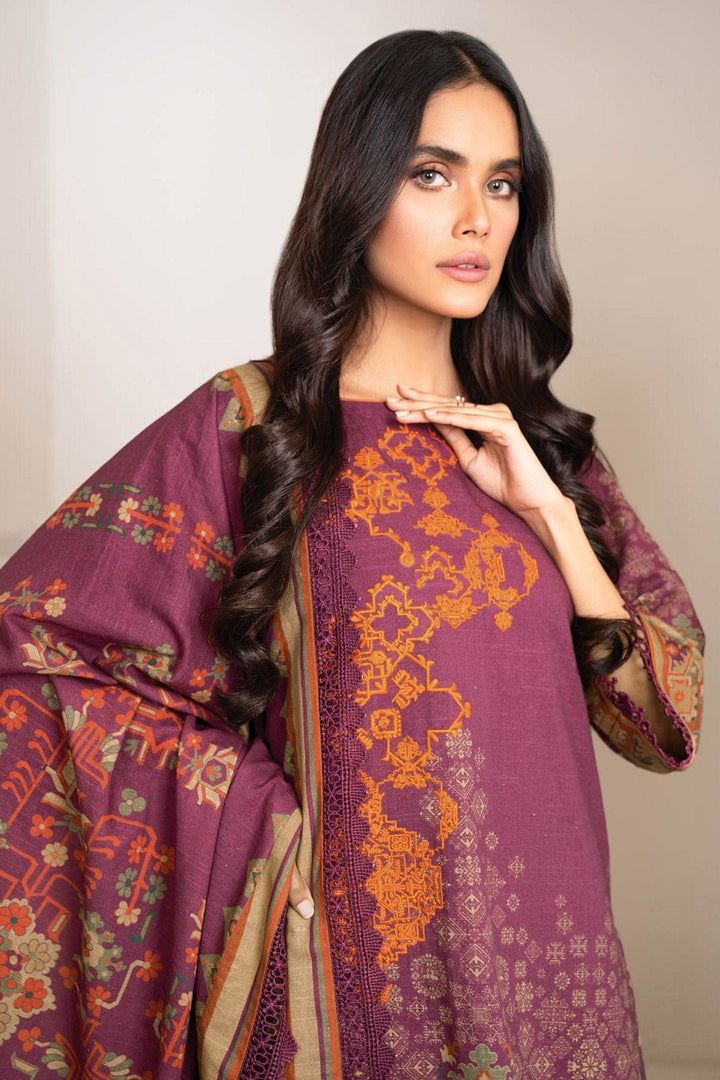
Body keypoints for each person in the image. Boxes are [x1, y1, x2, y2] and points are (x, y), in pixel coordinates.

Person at [0, 28, 703, 1080]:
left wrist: (552, 515)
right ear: (358, 188)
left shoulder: (541, 446)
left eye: (503, 184)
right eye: (433, 176)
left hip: (560, 995)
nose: (477, 220)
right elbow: (40, 647)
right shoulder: (255, 428)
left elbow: (662, 726)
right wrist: (264, 834)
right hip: (353, 990)